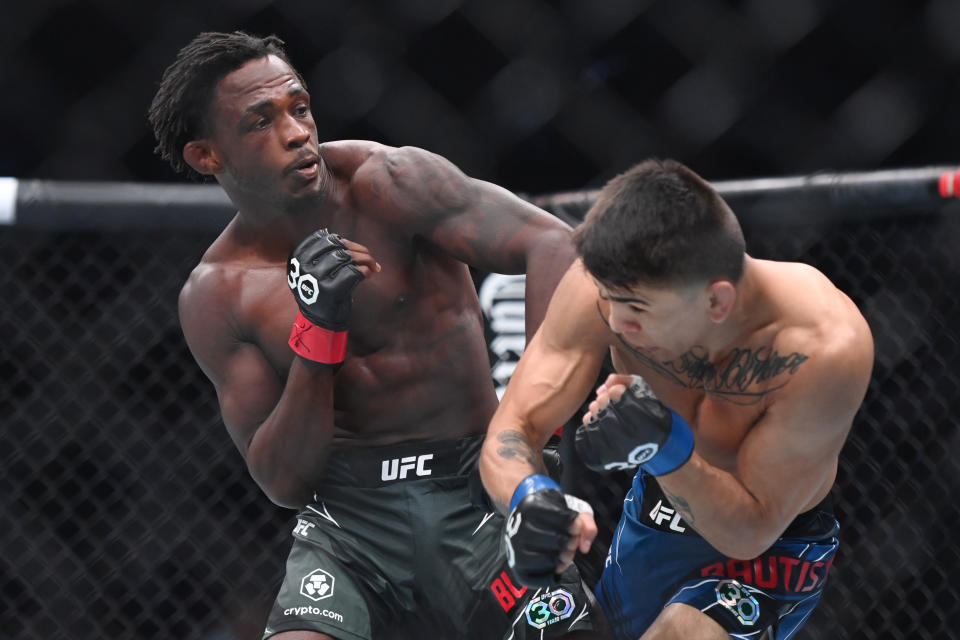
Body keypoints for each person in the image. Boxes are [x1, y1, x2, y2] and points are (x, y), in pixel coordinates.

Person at [149, 31, 601, 640]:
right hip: (351, 525)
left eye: (300, 107)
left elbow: (552, 244)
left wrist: (526, 428)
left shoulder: (389, 183)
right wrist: (319, 333)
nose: (296, 133)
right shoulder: (217, 293)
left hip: (477, 488)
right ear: (208, 156)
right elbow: (284, 481)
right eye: (261, 121)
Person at [479, 158, 874, 639]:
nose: (618, 324)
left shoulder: (821, 344)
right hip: (655, 513)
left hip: (769, 546)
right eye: (610, 300)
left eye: (638, 309)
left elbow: (751, 532)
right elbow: (514, 426)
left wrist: (664, 444)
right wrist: (530, 497)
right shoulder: (603, 285)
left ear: (715, 301)